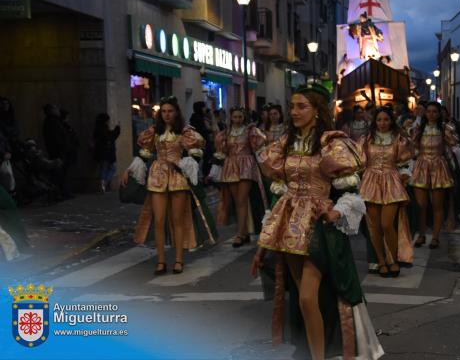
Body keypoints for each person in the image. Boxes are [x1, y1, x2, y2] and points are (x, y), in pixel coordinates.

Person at [251, 83, 383, 360]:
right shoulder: (285, 143)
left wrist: (337, 211)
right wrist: (266, 236)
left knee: (308, 298)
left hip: (318, 225)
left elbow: (349, 190)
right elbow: (280, 189)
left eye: (302, 106)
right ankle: (315, 353)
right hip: (288, 224)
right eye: (293, 106)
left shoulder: (331, 144)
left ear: (317, 110)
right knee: (304, 299)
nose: (294, 111)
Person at [120, 96, 212, 275]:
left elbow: (196, 152)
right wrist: (129, 170)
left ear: (176, 112)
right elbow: (145, 153)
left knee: (178, 220)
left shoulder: (185, 132)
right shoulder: (154, 132)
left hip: (177, 176)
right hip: (157, 176)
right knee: (159, 221)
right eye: (163, 111)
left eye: (170, 111)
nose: (167, 114)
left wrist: (188, 163)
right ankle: (161, 261)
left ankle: (178, 260)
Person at [359, 107, 414, 277]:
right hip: (370, 182)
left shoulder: (399, 139)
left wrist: (405, 174)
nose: (382, 123)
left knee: (386, 224)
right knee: (374, 227)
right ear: (375, 122)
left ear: (391, 121)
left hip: (392, 182)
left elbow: (404, 162)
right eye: (379, 120)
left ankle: (394, 260)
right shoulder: (366, 140)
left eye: (386, 120)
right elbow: (359, 161)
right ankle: (381, 261)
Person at [214, 107, 267, 247]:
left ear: (244, 118)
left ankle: (239, 234)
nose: (237, 119)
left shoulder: (250, 131)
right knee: (237, 201)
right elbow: (223, 150)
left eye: (240, 117)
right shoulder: (226, 133)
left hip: (246, 166)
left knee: (242, 200)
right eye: (235, 117)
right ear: (231, 118)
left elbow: (260, 144)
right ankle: (244, 232)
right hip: (231, 165)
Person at [410, 102, 459, 249]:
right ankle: (421, 234)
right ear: (425, 113)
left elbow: (454, 144)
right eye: (428, 111)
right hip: (421, 166)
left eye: (434, 112)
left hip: (439, 167)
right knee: (421, 206)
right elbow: (412, 146)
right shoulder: (419, 129)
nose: (431, 114)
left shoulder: (445, 129)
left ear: (439, 114)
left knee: (437, 205)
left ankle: (436, 237)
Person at [42, 104, 71, 198]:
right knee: (58, 173)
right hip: (58, 152)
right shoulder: (52, 122)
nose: (58, 110)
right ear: (51, 110)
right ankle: (58, 193)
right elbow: (56, 139)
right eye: (56, 108)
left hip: (58, 151)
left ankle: (61, 192)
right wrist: (62, 152)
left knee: (60, 173)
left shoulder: (54, 121)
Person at [93, 113, 121, 193]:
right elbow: (111, 136)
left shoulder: (97, 128)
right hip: (106, 152)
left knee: (103, 169)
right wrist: (117, 129)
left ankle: (103, 183)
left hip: (101, 152)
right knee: (112, 168)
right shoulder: (103, 128)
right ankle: (104, 183)